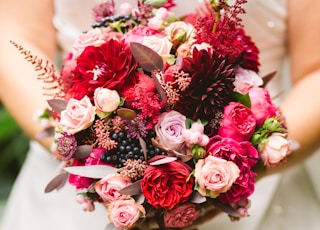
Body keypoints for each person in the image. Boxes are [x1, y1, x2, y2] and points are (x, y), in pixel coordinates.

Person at [0, 0, 319, 230]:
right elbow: (14, 38)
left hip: (252, 188)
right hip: (77, 184)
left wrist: (237, 172)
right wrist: (78, 143)